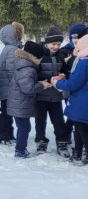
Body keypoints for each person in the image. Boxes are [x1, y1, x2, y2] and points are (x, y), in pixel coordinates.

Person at [8, 41, 51, 158]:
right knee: (24, 128)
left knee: (23, 127)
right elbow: (28, 88)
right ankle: (20, 150)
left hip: (19, 102)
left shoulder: (23, 64)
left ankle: (20, 149)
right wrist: (42, 85)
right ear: (35, 57)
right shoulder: (28, 69)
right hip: (21, 104)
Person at [34, 27, 71, 156]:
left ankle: (62, 144)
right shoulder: (39, 56)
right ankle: (41, 142)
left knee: (59, 121)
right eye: (53, 44)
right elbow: (35, 74)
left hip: (56, 96)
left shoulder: (61, 56)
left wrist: (64, 75)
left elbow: (66, 72)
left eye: (58, 44)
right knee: (40, 121)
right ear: (47, 43)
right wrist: (49, 78)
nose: (56, 47)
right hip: (41, 95)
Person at [53, 33, 88, 166]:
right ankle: (77, 153)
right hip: (83, 102)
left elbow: (74, 84)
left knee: (82, 129)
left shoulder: (84, 63)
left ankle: (81, 153)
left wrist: (57, 83)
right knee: (79, 128)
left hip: (82, 102)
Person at [0, 22, 24, 145]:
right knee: (7, 112)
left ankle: (8, 134)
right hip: (10, 87)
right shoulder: (13, 50)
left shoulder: (9, 48)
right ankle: (3, 136)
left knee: (7, 111)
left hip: (6, 86)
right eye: (18, 34)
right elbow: (13, 70)